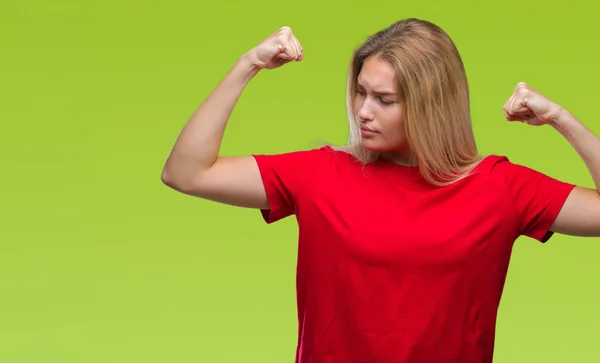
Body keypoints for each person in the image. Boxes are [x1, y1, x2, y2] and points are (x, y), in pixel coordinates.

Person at [161, 18, 600, 363]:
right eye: (359, 92)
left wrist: (560, 118)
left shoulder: (501, 188)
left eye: (384, 100)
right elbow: (186, 172)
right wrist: (247, 64)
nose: (362, 112)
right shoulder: (320, 174)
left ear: (431, 105)